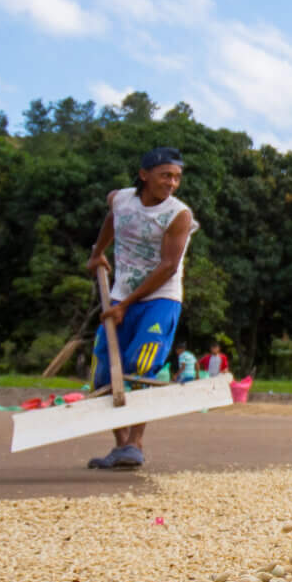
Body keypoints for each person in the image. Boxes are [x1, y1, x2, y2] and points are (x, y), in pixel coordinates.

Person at [82, 146, 197, 470]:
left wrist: (127, 305)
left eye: (176, 177)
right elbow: (113, 219)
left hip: (160, 297)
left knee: (140, 364)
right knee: (105, 371)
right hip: (121, 294)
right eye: (165, 175)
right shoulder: (119, 199)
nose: (172, 183)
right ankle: (121, 447)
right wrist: (98, 252)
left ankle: (136, 443)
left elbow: (169, 266)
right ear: (144, 175)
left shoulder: (179, 215)